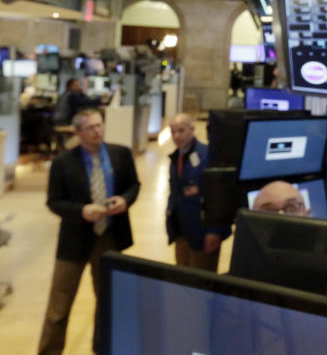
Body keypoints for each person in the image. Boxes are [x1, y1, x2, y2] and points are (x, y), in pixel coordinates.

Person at [39, 109, 140, 355]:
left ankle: (102, 348)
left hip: (109, 236)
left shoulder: (120, 154)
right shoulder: (63, 163)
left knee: (108, 301)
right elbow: (53, 201)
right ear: (78, 132)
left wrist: (124, 201)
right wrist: (81, 211)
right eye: (91, 128)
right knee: (59, 306)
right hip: (75, 239)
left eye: (100, 125)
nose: (98, 131)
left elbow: (134, 185)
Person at [165, 113, 230, 271]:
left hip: (203, 233)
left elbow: (220, 197)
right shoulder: (176, 157)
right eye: (173, 132)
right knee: (183, 278)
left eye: (181, 130)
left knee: (202, 285)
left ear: (192, 129)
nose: (177, 136)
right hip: (182, 232)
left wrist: (215, 232)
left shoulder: (208, 156)